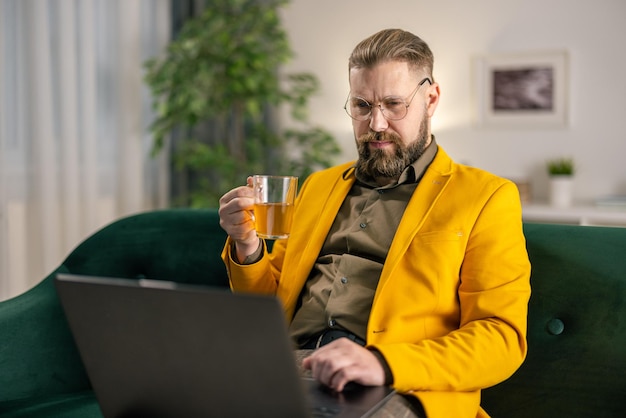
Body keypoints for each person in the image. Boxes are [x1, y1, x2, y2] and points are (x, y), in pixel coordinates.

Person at [218, 28, 531, 418]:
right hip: (287, 367)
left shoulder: (486, 196)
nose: (377, 124)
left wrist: (382, 363)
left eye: (394, 105)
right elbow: (267, 310)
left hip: (396, 386)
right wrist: (248, 247)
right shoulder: (317, 187)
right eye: (363, 105)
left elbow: (501, 339)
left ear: (430, 98)